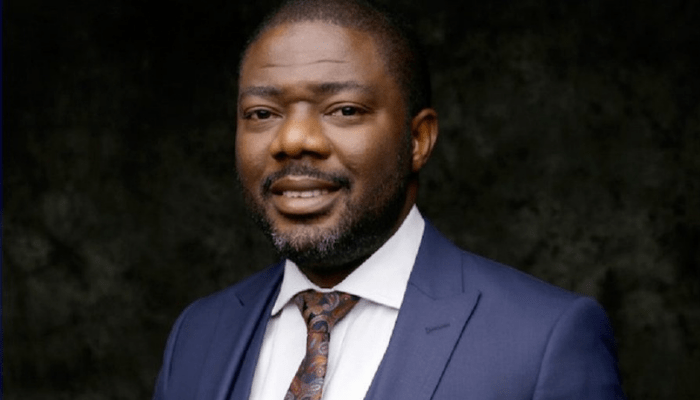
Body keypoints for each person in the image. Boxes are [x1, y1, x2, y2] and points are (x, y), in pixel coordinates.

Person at [152, 0, 625, 399]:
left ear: (418, 140)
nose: (292, 139)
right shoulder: (198, 334)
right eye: (261, 113)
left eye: (344, 110)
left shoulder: (543, 340)